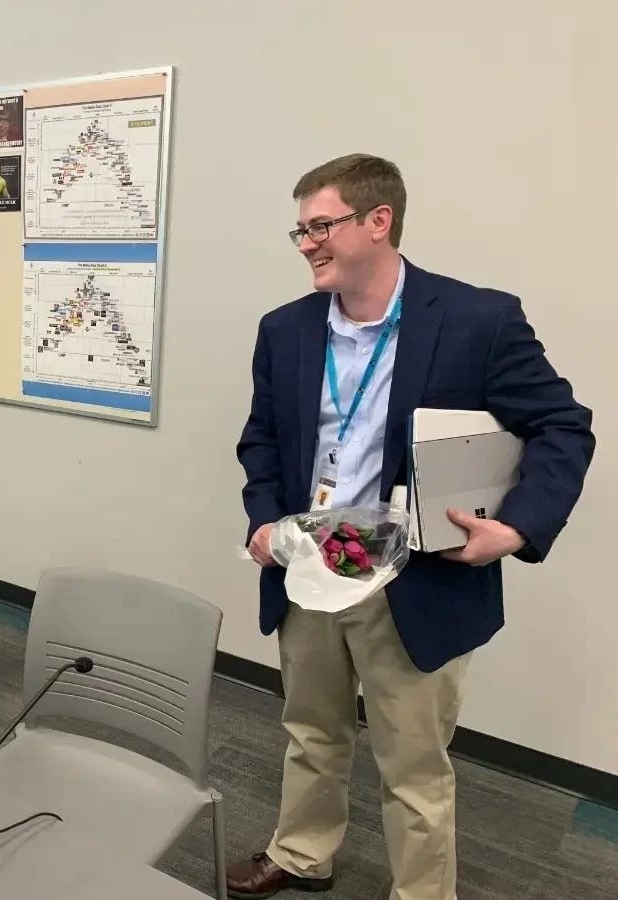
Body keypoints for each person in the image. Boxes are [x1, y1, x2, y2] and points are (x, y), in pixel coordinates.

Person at [231, 154, 594, 899]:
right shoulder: (285, 329)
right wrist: (264, 519)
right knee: (311, 732)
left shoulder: (477, 321)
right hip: (309, 569)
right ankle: (303, 853)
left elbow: (563, 426)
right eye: (299, 230)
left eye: (321, 226)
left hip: (416, 578)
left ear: (379, 221)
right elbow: (262, 439)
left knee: (415, 764)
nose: (306, 243)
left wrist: (518, 529)